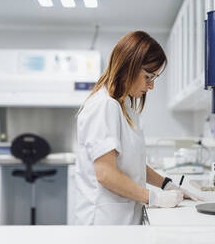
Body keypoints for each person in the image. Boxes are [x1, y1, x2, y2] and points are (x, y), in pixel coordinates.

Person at [74, 31, 200, 225]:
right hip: (104, 224)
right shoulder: (105, 105)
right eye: (148, 76)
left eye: (154, 78)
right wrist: (154, 198)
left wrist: (167, 185)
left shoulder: (123, 108)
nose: (151, 86)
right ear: (128, 66)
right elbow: (106, 174)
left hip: (121, 220)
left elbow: (132, 163)